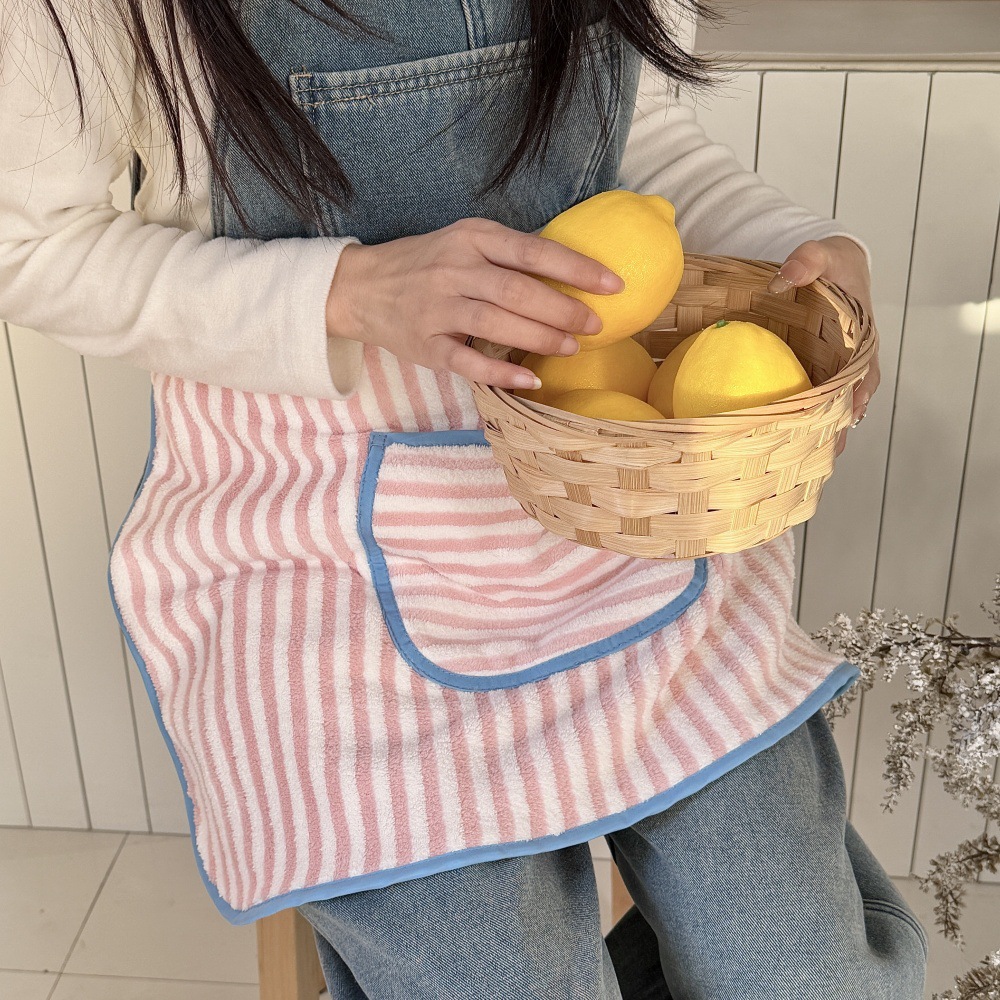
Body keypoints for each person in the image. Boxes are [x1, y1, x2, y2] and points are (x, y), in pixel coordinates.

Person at [0, 0, 924, 996]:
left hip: (608, 505)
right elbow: (26, 245)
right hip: (319, 541)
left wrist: (797, 246)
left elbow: (634, 134)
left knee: (808, 978)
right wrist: (347, 292)